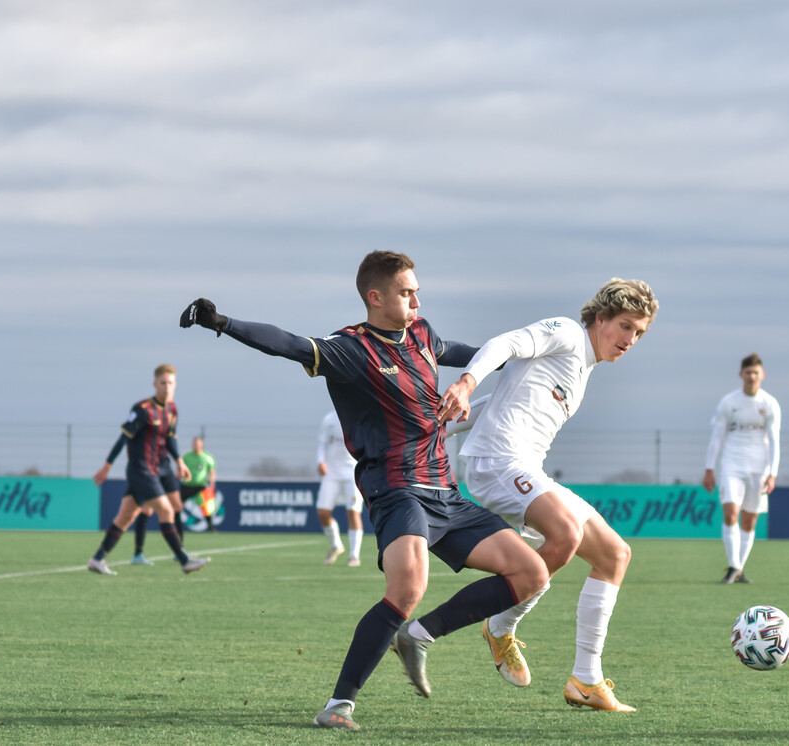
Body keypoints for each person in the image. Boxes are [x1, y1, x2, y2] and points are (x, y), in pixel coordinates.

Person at [179, 251, 549, 732]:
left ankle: (419, 637)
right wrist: (223, 322)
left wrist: (526, 359)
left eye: (416, 289)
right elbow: (288, 344)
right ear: (375, 298)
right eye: (405, 291)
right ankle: (338, 705)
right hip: (396, 488)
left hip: (445, 490)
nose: (416, 298)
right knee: (409, 585)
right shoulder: (349, 349)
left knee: (531, 573)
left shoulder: (422, 334)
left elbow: (468, 354)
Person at [439, 278, 659, 713]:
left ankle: (586, 680)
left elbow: (500, 404)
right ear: (600, 318)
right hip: (497, 464)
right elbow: (505, 343)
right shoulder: (566, 333)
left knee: (614, 554)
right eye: (626, 326)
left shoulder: (582, 371)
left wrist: (440, 428)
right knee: (564, 533)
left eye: (639, 333)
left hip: (525, 470)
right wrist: (466, 381)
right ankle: (500, 627)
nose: (631, 340)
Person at [89, 364, 211, 576]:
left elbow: (171, 439)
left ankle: (97, 559)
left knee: (126, 517)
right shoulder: (143, 409)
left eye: (170, 383)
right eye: (162, 383)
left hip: (155, 469)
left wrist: (179, 461)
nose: (166, 387)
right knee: (166, 510)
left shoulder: (172, 410)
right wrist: (107, 466)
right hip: (140, 470)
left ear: (175, 385)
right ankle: (184, 560)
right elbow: (123, 438)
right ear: (155, 384)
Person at [701, 353, 781, 584]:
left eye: (756, 373)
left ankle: (738, 569)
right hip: (732, 464)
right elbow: (717, 437)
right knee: (731, 514)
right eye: (748, 373)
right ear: (741, 375)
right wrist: (709, 469)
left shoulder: (770, 404)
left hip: (759, 467)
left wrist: (773, 473)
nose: (752, 377)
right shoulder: (729, 402)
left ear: (762, 375)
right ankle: (734, 566)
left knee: (749, 520)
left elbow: (775, 441)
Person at [317, 410, 364, 566]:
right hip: (331, 473)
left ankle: (354, 555)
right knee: (323, 512)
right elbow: (323, 443)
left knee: (353, 512)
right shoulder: (329, 419)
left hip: (352, 472)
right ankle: (336, 545)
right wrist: (320, 461)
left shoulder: (360, 416)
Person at [181, 437, 218, 532]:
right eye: (194, 444)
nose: (196, 446)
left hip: (201, 486)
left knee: (207, 507)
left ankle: (211, 527)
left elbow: (212, 472)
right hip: (187, 485)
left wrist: (212, 485)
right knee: (177, 505)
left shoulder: (207, 458)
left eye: (198, 444)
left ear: (201, 445)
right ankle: (173, 526)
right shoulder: (187, 456)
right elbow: (181, 469)